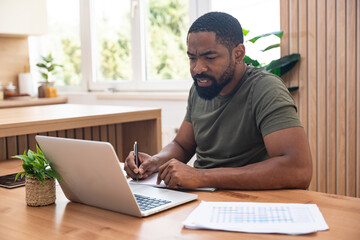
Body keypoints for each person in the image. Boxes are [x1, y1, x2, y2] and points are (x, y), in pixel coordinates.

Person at [124, 12, 312, 190]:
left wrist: (202, 177)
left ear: (238, 54)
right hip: (201, 196)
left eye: (210, 57)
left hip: (248, 200)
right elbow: (182, 145)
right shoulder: (202, 86)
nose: (197, 68)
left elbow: (298, 169)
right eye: (192, 58)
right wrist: (156, 162)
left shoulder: (266, 89)